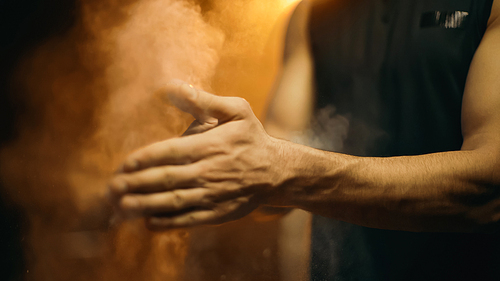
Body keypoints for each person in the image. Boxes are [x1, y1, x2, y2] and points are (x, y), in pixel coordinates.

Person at [108, 0, 500, 280]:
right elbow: (278, 160)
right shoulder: (310, 14)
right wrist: (228, 154)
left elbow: (490, 190)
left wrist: (280, 169)